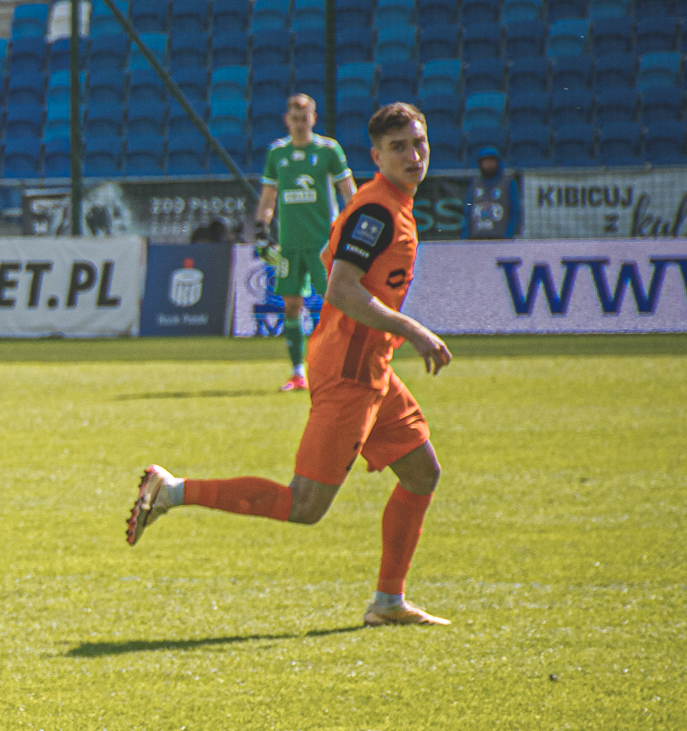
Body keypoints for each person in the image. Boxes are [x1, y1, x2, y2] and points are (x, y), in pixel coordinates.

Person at [126, 103, 453, 629]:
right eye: (399, 147)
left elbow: (333, 262)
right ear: (376, 157)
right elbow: (341, 288)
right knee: (305, 505)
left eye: (419, 143)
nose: (413, 155)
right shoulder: (376, 212)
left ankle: (388, 602)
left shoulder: (388, 203)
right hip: (348, 372)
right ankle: (171, 490)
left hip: (370, 366)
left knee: (421, 473)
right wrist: (413, 329)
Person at [254, 94, 357, 393]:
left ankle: (341, 366)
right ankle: (298, 372)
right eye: (295, 119)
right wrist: (261, 229)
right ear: (287, 120)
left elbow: (348, 190)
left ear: (314, 118)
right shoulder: (277, 152)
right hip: (290, 243)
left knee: (334, 303)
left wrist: (356, 221)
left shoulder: (328, 150)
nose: (300, 124)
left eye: (305, 118)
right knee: (291, 305)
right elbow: (269, 195)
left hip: (323, 243)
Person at [462, 145, 520, 240]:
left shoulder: (508, 183)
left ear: (498, 162)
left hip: (500, 238)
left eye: (491, 161)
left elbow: (515, 211)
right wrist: (465, 236)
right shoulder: (475, 182)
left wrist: (508, 235)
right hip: (476, 237)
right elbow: (468, 211)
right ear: (480, 163)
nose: (488, 164)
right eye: (485, 162)